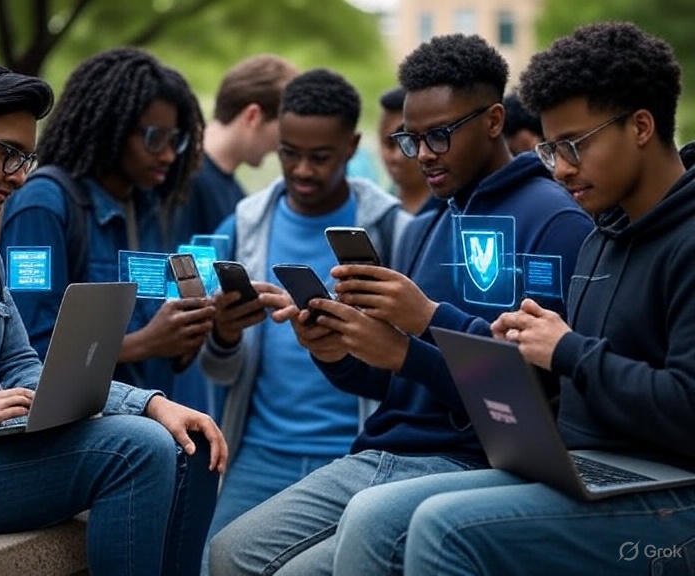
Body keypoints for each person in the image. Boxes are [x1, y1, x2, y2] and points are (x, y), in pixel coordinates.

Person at [208, 34, 594, 576]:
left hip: (472, 465)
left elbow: (539, 395)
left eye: (440, 135)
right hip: (384, 452)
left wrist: (418, 333)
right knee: (229, 551)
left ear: (493, 121)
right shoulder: (428, 223)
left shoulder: (555, 221)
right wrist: (336, 351)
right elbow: (391, 382)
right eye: (412, 139)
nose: (424, 154)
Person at [331, 22, 695, 576]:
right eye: (551, 149)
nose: (562, 167)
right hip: (583, 466)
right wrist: (518, 353)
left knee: (438, 527)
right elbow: (567, 390)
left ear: (641, 126)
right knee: (374, 516)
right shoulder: (602, 236)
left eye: (575, 145)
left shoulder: (679, 240)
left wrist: (566, 351)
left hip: (672, 490)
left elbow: (685, 407)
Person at [0, 57, 227, 576]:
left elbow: (23, 363)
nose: (20, 175)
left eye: (27, 157)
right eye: (9, 154)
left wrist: (151, 403)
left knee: (191, 443)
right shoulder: (46, 205)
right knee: (136, 451)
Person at [198, 67, 412, 564]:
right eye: (289, 153)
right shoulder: (245, 223)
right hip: (257, 452)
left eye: (320, 157)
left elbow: (411, 356)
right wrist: (224, 332)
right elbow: (217, 368)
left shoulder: (394, 228)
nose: (302, 170)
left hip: (356, 452)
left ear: (351, 146)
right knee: (217, 560)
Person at [0, 48, 216, 398]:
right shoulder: (43, 204)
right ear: (111, 129)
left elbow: (155, 336)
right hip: (84, 425)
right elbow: (27, 353)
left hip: (154, 417)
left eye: (175, 140)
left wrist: (190, 332)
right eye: (154, 138)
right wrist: (144, 343)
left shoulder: (147, 205)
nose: (168, 154)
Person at [169, 54, 298, 413]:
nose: (280, 147)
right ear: (254, 115)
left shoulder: (237, 196)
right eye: (282, 132)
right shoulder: (183, 181)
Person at [378, 86, 437, 214]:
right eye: (390, 144)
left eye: (411, 142)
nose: (399, 156)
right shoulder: (376, 210)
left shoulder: (456, 211)